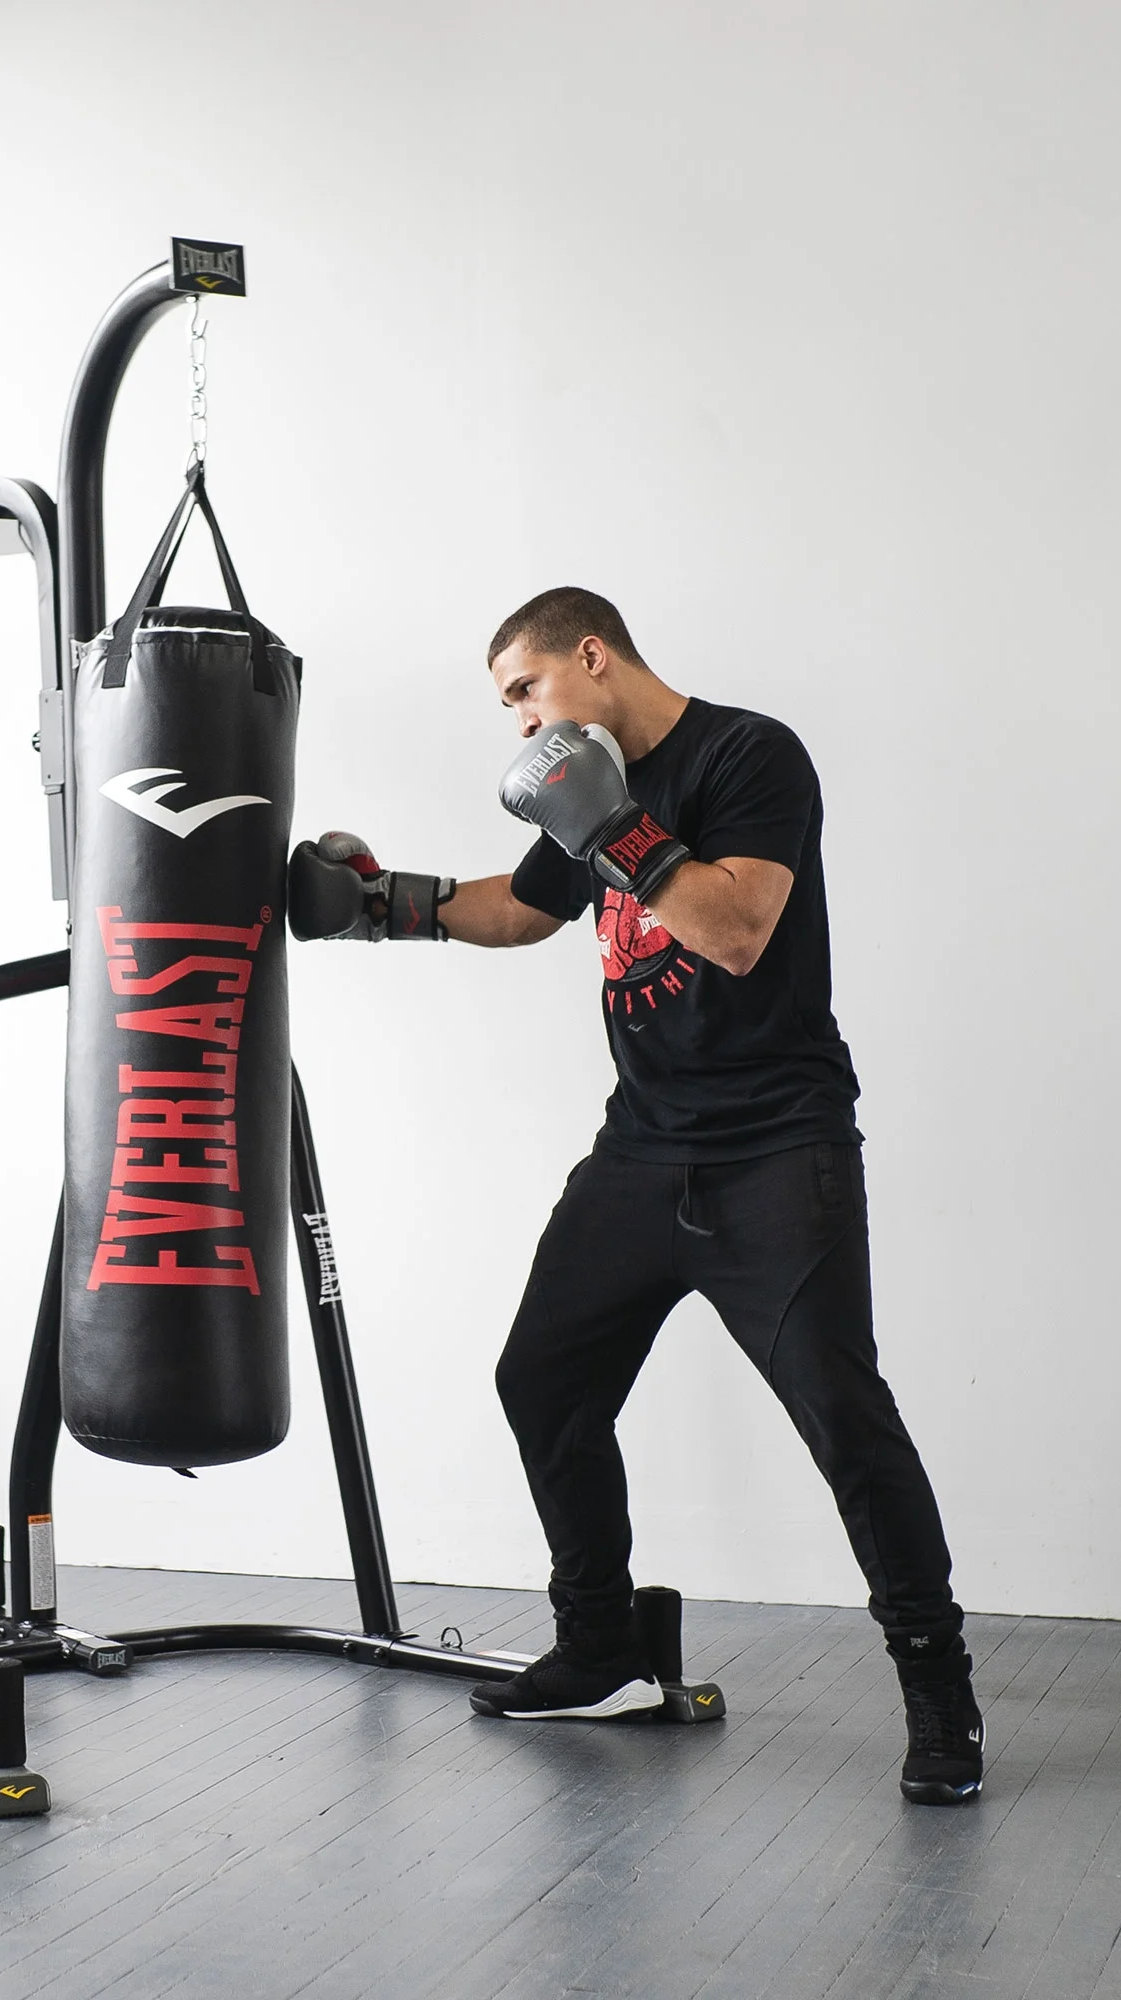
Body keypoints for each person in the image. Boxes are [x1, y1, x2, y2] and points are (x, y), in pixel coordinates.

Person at [288, 586, 983, 1806]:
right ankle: (600, 1643)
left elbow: (735, 929)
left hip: (776, 1151)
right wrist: (383, 904)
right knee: (541, 1380)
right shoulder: (582, 781)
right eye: (506, 705)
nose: (519, 722)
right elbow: (522, 908)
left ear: (592, 654)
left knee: (842, 1415)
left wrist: (610, 824)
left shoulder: (747, 754)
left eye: (524, 689)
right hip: (641, 1152)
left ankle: (937, 1690)